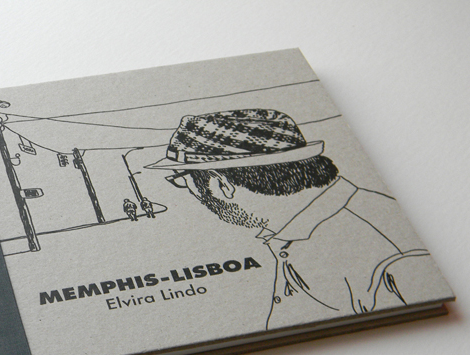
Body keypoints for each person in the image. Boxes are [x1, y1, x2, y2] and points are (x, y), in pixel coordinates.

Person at [147, 109, 438, 330]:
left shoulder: (396, 256)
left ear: (221, 184)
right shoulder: (298, 233)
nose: (189, 192)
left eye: (182, 180)